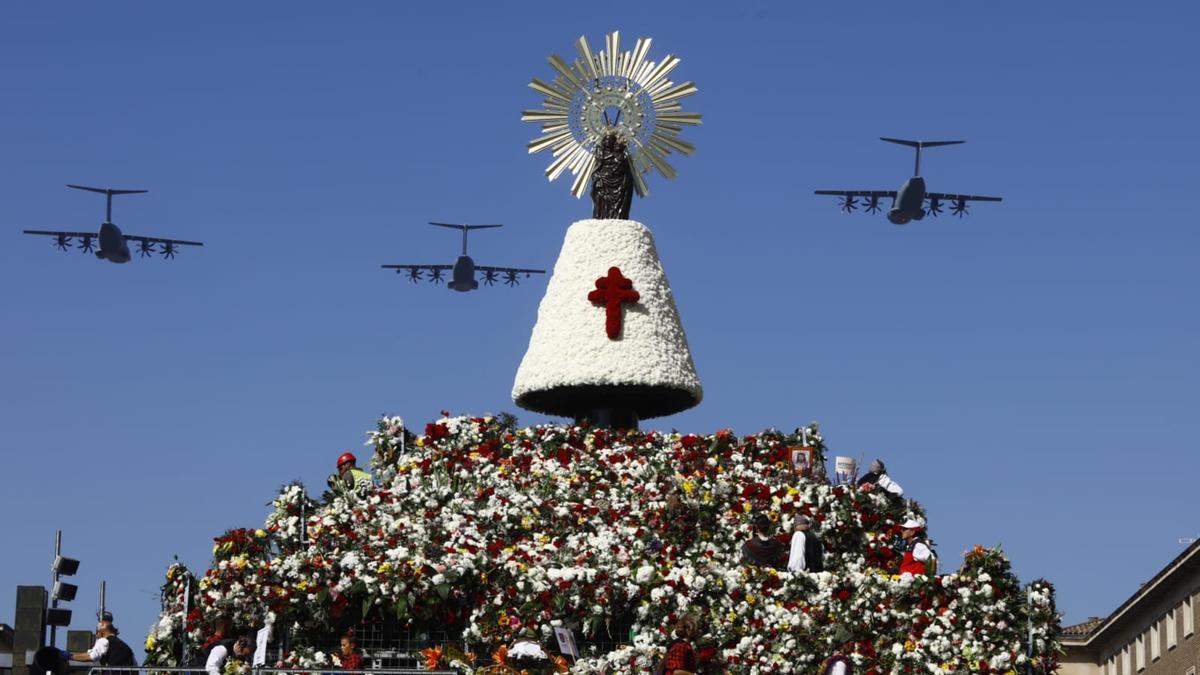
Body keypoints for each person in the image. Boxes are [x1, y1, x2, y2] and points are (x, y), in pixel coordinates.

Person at [69, 617, 137, 667]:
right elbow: (135, 665)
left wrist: (70, 656)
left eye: (97, 632)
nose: (96, 635)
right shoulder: (126, 646)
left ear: (101, 631)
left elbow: (92, 656)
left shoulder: (104, 641)